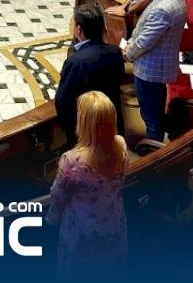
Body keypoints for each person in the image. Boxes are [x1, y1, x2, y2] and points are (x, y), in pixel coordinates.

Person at [46, 91, 129, 277]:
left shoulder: (71, 160)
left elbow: (57, 197)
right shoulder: (121, 145)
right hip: (114, 223)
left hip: (82, 232)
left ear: (84, 123)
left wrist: (51, 220)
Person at [124, 0, 187, 142]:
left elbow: (145, 42)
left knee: (150, 115)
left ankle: (152, 150)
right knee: (155, 109)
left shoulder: (164, 7)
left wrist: (127, 53)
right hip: (158, 65)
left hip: (150, 69)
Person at [57, 5, 126, 144]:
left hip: (85, 130)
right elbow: (120, 79)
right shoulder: (115, 52)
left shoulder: (74, 61)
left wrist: (69, 129)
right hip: (111, 123)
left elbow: (63, 101)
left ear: (78, 29)